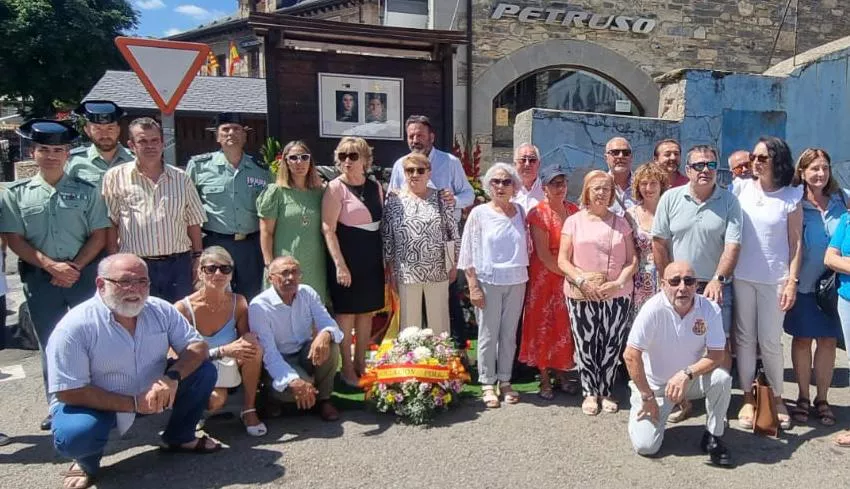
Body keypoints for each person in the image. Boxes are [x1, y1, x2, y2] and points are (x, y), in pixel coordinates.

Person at [47, 254, 219, 489]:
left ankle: (179, 437)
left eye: (142, 281)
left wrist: (172, 378)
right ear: (101, 284)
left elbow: (196, 346)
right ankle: (86, 462)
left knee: (204, 372)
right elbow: (69, 391)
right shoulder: (74, 327)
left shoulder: (160, 309)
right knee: (75, 436)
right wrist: (134, 403)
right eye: (125, 282)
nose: (135, 289)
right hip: (99, 401)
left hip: (152, 390)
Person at [0, 120, 111, 431]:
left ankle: (97, 400)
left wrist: (74, 267)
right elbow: (14, 239)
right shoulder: (17, 194)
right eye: (44, 149)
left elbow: (99, 235)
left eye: (58, 150)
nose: (51, 155)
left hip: (82, 275)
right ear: (33, 152)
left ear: (67, 154)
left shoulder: (87, 192)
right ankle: (58, 404)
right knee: (51, 342)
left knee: (91, 338)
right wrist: (51, 266)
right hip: (40, 279)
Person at [652, 145, 741, 423]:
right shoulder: (670, 198)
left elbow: (732, 245)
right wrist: (667, 279)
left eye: (711, 165)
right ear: (688, 170)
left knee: (719, 344)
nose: (705, 170)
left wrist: (718, 279)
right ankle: (680, 401)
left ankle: (718, 406)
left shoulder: (729, 202)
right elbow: (659, 241)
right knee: (675, 342)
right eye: (699, 165)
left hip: (713, 283)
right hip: (679, 284)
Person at [624, 261, 732, 467]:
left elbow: (718, 354)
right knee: (647, 447)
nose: (682, 287)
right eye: (675, 281)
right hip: (654, 390)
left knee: (721, 378)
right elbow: (630, 355)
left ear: (696, 285)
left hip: (689, 381)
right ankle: (643, 404)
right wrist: (646, 396)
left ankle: (713, 436)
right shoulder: (652, 309)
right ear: (663, 284)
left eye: (689, 281)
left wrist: (686, 373)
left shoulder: (710, 309)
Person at [733, 136, 802, 431]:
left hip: (775, 280)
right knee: (745, 339)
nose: (756, 162)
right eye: (753, 157)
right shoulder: (740, 188)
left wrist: (791, 282)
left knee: (771, 341)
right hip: (742, 276)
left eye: (762, 157)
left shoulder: (791, 196)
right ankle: (748, 396)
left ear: (777, 160)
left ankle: (776, 397)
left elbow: (796, 242)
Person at [388, 115, 474, 351]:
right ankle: (413, 360)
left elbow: (469, 195)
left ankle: (454, 355)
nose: (415, 140)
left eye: (420, 135)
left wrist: (452, 200)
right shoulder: (399, 164)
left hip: (441, 248)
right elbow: (392, 201)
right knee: (412, 314)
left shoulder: (451, 162)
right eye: (411, 136)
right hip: (409, 254)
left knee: (446, 308)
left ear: (431, 137)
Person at [102, 117, 207, 304]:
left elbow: (193, 221)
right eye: (142, 141)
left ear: (162, 143)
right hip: (136, 266)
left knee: (179, 317)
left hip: (178, 265)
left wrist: (197, 257)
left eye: (154, 140)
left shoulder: (181, 178)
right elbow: (111, 223)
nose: (149, 146)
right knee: (139, 317)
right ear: (131, 145)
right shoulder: (115, 177)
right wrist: (113, 262)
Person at [559, 170, 637, 416]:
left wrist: (618, 283)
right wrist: (582, 281)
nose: (601, 193)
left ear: (612, 193)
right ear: (587, 192)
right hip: (582, 292)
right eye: (596, 188)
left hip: (616, 292)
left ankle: (606, 390)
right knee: (586, 342)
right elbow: (563, 259)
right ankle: (589, 391)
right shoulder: (573, 221)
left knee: (611, 342)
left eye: (606, 188)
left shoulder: (621, 222)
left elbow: (633, 259)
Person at [174, 246, 267, 436]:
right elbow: (175, 355)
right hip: (198, 368)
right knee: (216, 400)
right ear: (200, 272)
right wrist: (223, 350)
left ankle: (249, 409)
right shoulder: (183, 308)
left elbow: (244, 336)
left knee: (254, 348)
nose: (218, 273)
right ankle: (192, 408)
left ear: (231, 275)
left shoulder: (238, 302)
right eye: (211, 268)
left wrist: (249, 338)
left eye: (225, 269)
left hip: (227, 365)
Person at [458, 162, 529, 408]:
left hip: (517, 280)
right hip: (488, 281)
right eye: (496, 182)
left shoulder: (520, 211)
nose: (501, 186)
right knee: (488, 334)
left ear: (514, 186)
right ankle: (488, 382)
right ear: (489, 186)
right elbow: (467, 252)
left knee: (509, 335)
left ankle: (505, 380)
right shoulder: (479, 213)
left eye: (506, 181)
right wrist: (473, 286)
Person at [784, 149, 843, 426]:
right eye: (814, 169)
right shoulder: (795, 202)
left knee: (828, 342)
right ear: (802, 172)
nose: (820, 174)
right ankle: (803, 397)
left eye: (825, 168)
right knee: (803, 340)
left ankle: (822, 398)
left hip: (834, 287)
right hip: (804, 283)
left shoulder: (842, 200)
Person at [322, 137, 385, 386]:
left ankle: (361, 363)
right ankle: (346, 368)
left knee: (366, 313)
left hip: (370, 257)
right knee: (346, 316)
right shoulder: (334, 188)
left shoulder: (375, 186)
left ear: (365, 160)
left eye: (353, 156)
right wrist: (339, 264)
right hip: (347, 257)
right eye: (343, 156)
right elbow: (328, 228)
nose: (347, 160)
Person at [186, 112, 270, 300]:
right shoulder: (199, 167)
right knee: (214, 296)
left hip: (250, 246)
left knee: (252, 298)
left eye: (237, 129)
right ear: (217, 136)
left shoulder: (261, 170)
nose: (231, 133)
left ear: (245, 136)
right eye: (225, 129)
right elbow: (188, 210)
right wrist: (195, 252)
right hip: (215, 243)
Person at [249, 256, 343, 421]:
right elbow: (269, 354)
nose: (291, 278)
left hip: (303, 353)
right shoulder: (259, 306)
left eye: (295, 272)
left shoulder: (307, 292)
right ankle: (272, 396)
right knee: (296, 388)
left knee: (331, 345)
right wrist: (294, 381)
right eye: (284, 273)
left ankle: (324, 400)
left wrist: (325, 334)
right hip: (278, 358)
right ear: (270, 278)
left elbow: (331, 325)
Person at [518, 165, 579, 399]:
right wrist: (573, 275)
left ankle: (562, 373)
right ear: (544, 188)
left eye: (563, 183)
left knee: (563, 326)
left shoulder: (574, 210)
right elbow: (543, 254)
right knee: (543, 326)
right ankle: (544, 379)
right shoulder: (538, 214)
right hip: (545, 278)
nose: (561, 188)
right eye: (555, 183)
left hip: (568, 276)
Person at [381, 152, 459, 334]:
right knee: (409, 327)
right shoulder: (394, 201)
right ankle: (410, 361)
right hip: (406, 271)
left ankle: (440, 359)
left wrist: (454, 264)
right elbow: (388, 238)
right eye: (410, 170)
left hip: (437, 269)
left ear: (429, 173)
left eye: (420, 170)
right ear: (404, 173)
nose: (415, 174)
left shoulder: (442, 198)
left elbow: (453, 233)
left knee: (439, 326)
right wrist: (390, 269)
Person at [258, 140, 327, 301]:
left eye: (304, 157)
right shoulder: (276, 192)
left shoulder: (320, 192)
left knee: (312, 311)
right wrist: (270, 265)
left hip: (314, 264)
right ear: (285, 162)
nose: (299, 162)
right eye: (293, 158)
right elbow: (266, 232)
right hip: (284, 264)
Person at [627, 163, 669, 311]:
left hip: (668, 275)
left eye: (653, 183)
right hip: (640, 279)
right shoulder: (630, 214)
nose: (648, 188)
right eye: (644, 183)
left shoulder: (671, 212)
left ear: (661, 185)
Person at [65, 100, 134, 188]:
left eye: (110, 128)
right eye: (98, 129)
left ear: (118, 129)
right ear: (87, 130)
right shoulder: (72, 162)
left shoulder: (135, 160)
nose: (105, 134)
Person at [605, 137, 635, 215]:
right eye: (615, 153)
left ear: (631, 157)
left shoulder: (643, 186)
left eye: (626, 153)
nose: (621, 156)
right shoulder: (596, 186)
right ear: (606, 158)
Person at [511, 143, 544, 213]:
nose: (527, 164)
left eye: (532, 160)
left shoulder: (547, 190)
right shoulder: (508, 189)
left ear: (539, 164)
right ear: (514, 164)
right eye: (523, 160)